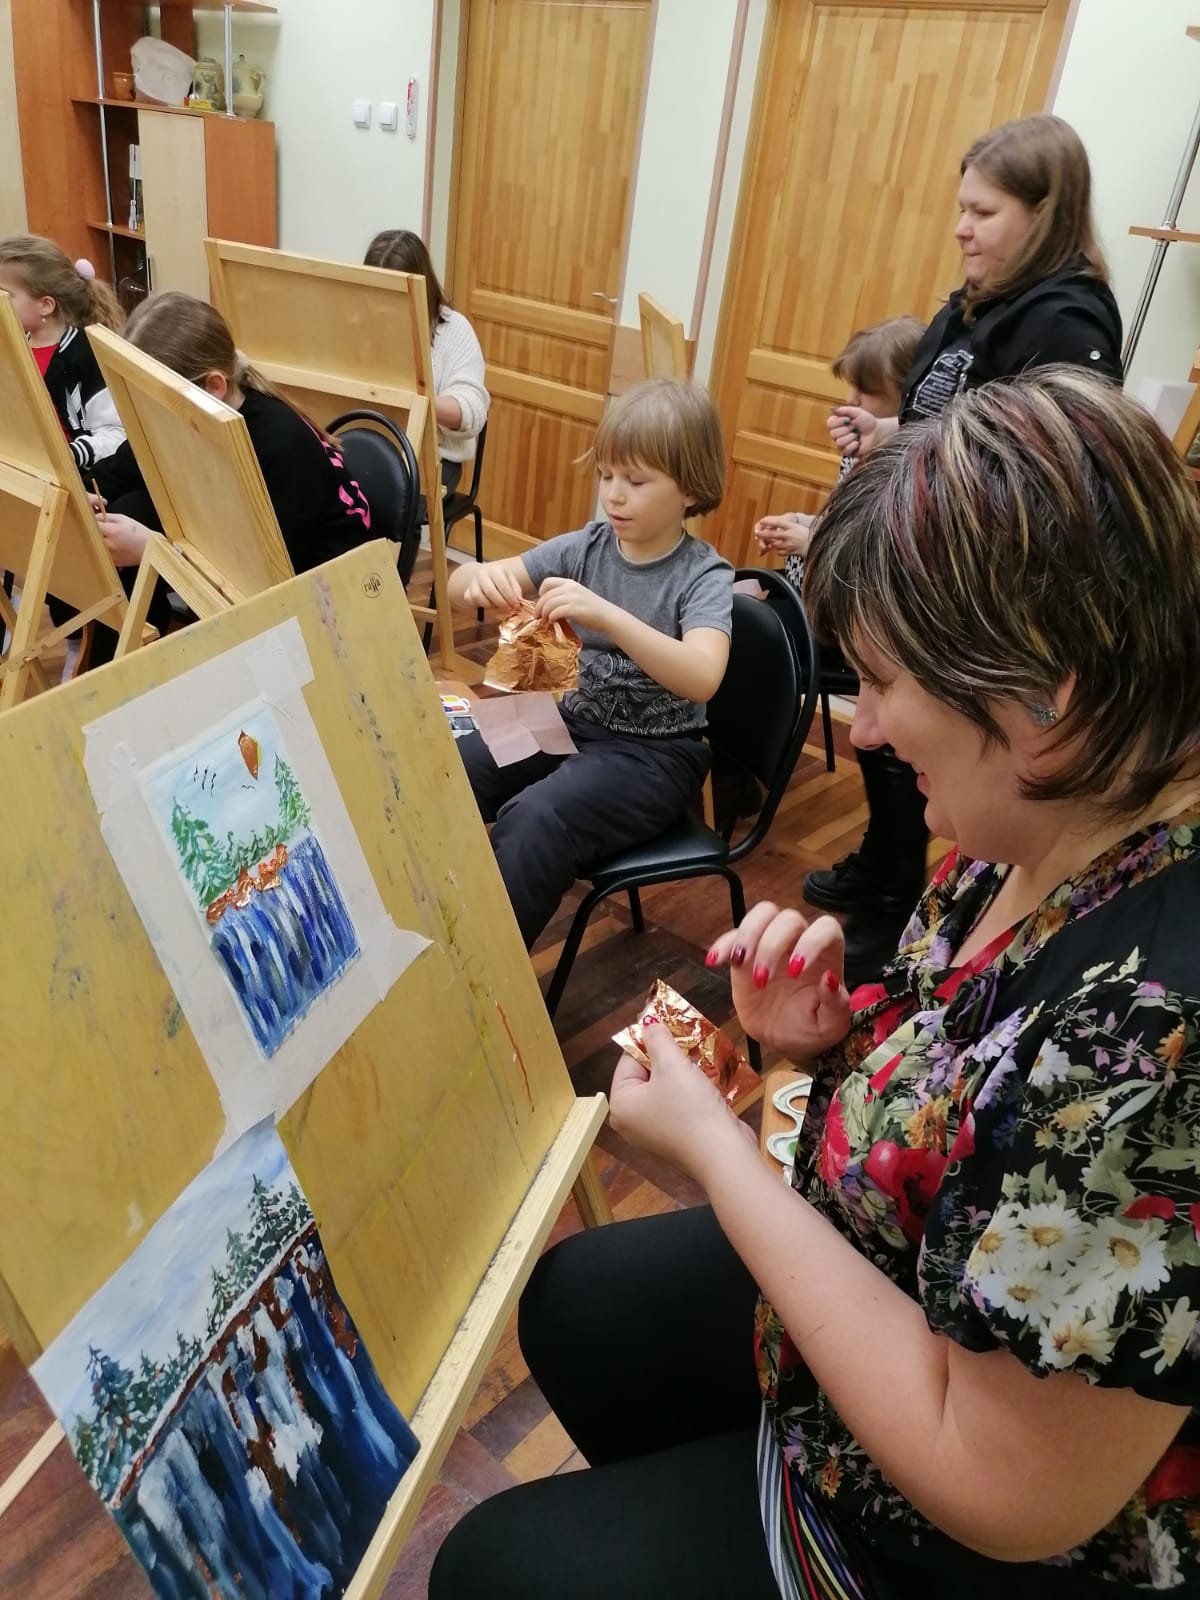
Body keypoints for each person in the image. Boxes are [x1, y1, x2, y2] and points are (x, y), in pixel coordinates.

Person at [429, 369, 1200, 1600]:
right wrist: (835, 1043)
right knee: (575, 1298)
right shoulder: (1049, 817)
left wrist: (715, 1147)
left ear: (1047, 700)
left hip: (956, 1536)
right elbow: (983, 1089)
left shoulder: (1154, 1032)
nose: (867, 731)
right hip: (895, 1286)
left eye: (884, 685)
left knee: (488, 1569)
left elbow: (1000, 1485)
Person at [803, 113, 1124, 985]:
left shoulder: (1067, 322)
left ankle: (898, 904)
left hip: (965, 594)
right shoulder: (974, 305)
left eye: (983, 212)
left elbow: (1049, 478)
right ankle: (885, 863)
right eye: (961, 208)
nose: (961, 228)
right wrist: (883, 434)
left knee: (913, 738)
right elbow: (939, 421)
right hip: (916, 565)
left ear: (1045, 213)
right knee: (885, 735)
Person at [448, 377, 733, 948]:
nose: (614, 496)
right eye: (606, 476)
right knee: (446, 767)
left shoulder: (704, 575)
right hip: (571, 725)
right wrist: (478, 579)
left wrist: (607, 615)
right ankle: (435, 918)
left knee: (535, 820)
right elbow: (459, 587)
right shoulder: (586, 546)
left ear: (690, 488)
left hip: (655, 758)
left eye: (636, 481)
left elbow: (703, 677)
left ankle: (483, 971)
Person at [91, 291, 373, 580]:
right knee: (129, 509)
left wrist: (156, 552)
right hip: (255, 566)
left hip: (326, 585)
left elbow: (270, 574)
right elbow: (117, 473)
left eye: (152, 400)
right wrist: (82, 495)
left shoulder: (282, 443)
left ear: (214, 386)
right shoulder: (177, 422)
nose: (143, 412)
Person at [752, 315, 926, 589]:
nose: (851, 400)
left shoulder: (915, 471)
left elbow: (882, 563)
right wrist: (799, 523)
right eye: (852, 386)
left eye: (868, 391)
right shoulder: (858, 448)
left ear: (909, 392)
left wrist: (810, 543)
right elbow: (843, 524)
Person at [363, 229, 489, 497]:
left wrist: (413, 399)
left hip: (434, 459)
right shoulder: (361, 322)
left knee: (392, 501)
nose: (385, 305)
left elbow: (472, 412)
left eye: (396, 294)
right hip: (366, 446)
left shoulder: (454, 330)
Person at [0, 234, 126, 478]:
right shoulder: (15, 344)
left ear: (45, 305)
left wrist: (69, 455)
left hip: (83, 479)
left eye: (5, 294)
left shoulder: (86, 355)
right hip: (31, 471)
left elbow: (117, 435)